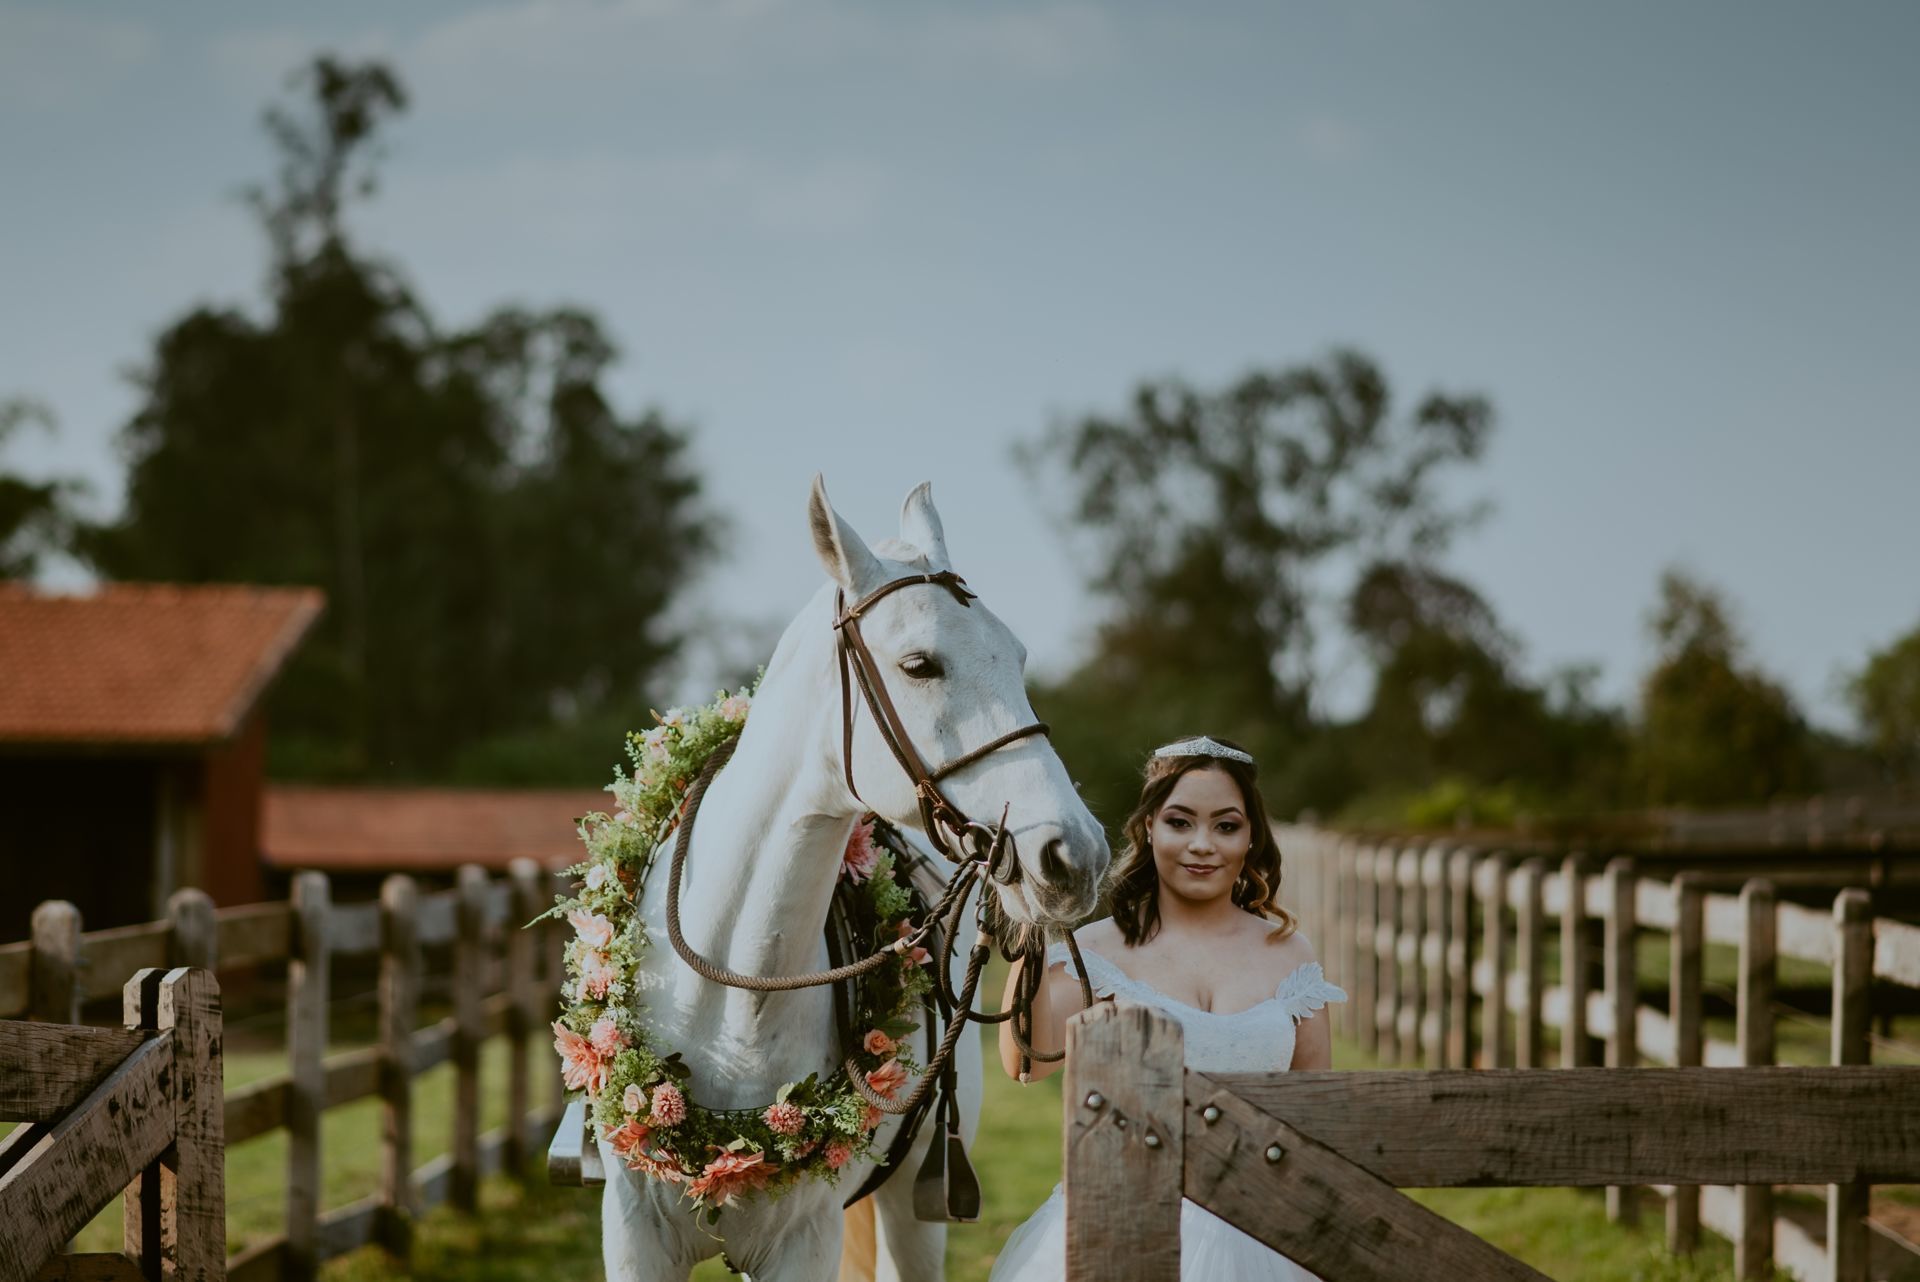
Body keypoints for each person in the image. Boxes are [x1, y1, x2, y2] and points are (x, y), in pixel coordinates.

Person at [988, 735, 1346, 1282]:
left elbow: (1314, 1110)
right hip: (1122, 1222)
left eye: (1226, 826)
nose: (1203, 845)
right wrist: (1030, 923)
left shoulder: (1289, 953)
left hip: (1261, 1234)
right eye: (1180, 822)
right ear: (1150, 827)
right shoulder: (1095, 950)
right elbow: (1025, 1063)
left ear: (1251, 836)